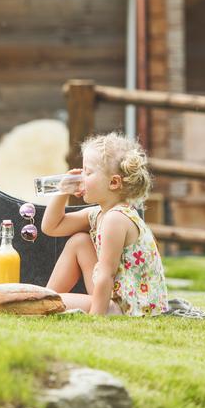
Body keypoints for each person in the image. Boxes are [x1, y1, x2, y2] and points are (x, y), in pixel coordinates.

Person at [41, 132, 168, 316]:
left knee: (53, 303)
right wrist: (62, 192)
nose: (82, 177)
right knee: (79, 242)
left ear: (114, 182)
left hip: (129, 308)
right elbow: (51, 227)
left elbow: (106, 274)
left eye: (88, 172)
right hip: (116, 296)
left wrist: (96, 317)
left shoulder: (116, 218)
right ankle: (43, 298)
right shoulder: (99, 214)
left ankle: (42, 302)